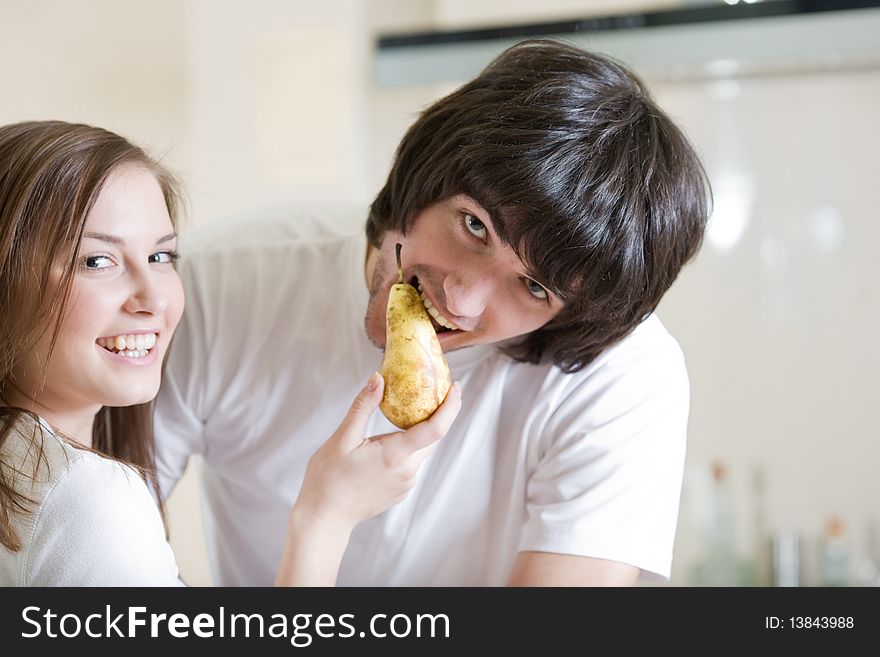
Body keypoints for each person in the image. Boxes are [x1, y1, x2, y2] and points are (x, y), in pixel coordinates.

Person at [155, 38, 710, 586]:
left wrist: (322, 522)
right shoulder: (215, 283)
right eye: (474, 226)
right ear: (425, 175)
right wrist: (322, 520)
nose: (461, 300)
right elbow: (92, 553)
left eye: (534, 287)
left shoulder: (624, 376)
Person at [0, 120, 460, 586]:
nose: (154, 299)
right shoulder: (90, 502)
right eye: (98, 261)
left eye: (161, 257)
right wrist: (326, 517)